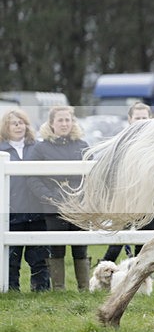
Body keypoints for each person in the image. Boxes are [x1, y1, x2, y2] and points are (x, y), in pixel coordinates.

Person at [99, 102, 154, 263]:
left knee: (145, 243)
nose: (141, 121)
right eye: (137, 118)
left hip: (150, 202)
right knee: (116, 243)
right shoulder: (120, 143)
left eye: (144, 118)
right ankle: (103, 272)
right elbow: (112, 173)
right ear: (130, 119)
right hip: (125, 201)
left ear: (150, 118)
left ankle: (142, 274)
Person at [27, 105, 91, 291]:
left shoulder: (82, 146)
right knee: (56, 248)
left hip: (78, 205)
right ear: (51, 123)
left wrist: (80, 195)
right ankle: (59, 289)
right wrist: (47, 196)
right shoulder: (41, 148)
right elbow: (32, 177)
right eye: (60, 120)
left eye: (67, 120)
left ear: (73, 122)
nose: (64, 124)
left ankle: (84, 288)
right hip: (52, 205)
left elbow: (91, 175)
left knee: (80, 248)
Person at [1, 109, 50, 291]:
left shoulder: (38, 147)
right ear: (5, 127)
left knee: (39, 257)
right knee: (11, 258)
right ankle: (11, 290)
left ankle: (41, 290)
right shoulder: (1, 149)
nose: (18, 126)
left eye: (21, 122)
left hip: (37, 211)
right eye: (14, 123)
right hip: (11, 212)